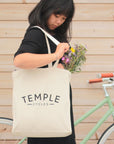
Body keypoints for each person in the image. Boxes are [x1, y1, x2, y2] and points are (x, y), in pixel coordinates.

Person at [13, 0, 76, 144]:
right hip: (45, 102)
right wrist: (55, 56)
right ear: (46, 8)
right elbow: (20, 60)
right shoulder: (36, 32)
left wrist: (62, 65)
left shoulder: (54, 34)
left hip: (56, 102)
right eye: (57, 15)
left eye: (63, 18)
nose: (59, 21)